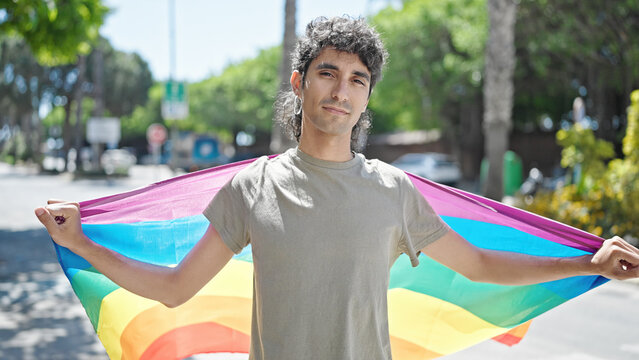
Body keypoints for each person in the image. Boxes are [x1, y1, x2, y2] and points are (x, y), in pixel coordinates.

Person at [35, 16, 639, 360]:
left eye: (357, 79)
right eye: (328, 72)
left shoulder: (394, 190)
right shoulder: (254, 187)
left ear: (367, 97)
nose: (341, 91)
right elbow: (173, 290)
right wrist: (85, 244)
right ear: (301, 83)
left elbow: (479, 264)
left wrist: (587, 262)